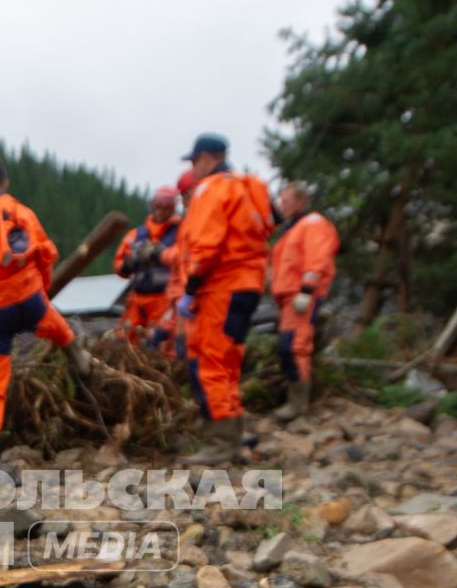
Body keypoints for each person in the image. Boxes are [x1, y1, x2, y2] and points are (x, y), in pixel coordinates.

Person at [0, 157, 95, 463]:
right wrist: (40, 289)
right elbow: (47, 254)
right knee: (56, 325)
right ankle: (79, 356)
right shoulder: (24, 212)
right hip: (30, 299)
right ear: (5, 183)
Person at [175, 133, 273, 461]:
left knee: (212, 363)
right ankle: (235, 439)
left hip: (221, 287)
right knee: (230, 363)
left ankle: (219, 444)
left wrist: (190, 290)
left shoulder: (211, 189)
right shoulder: (248, 185)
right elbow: (270, 224)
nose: (193, 168)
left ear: (206, 157)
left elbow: (205, 247)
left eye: (193, 161)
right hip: (249, 285)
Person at [268, 181, 340, 421]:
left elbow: (317, 259)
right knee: (288, 346)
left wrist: (307, 291)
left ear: (300, 200)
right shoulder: (295, 228)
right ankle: (295, 402)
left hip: (300, 295)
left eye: (286, 200)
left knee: (295, 346)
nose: (282, 205)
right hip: (289, 295)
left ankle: (298, 405)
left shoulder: (312, 224)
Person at [114, 186, 183, 349]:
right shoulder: (136, 235)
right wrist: (129, 262)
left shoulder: (180, 233)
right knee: (125, 342)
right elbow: (119, 267)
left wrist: (160, 255)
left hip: (163, 299)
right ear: (152, 204)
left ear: (173, 207)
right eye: (158, 204)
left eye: (166, 204)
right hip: (137, 298)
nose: (161, 209)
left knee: (161, 345)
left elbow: (184, 259)